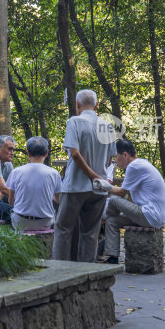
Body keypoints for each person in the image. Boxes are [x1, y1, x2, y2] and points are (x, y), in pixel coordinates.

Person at [53, 89, 116, 263]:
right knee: (90, 232)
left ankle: (60, 268)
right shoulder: (107, 126)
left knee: (63, 228)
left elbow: (74, 153)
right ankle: (87, 269)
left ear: (77, 105)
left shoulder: (74, 122)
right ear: (97, 105)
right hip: (99, 190)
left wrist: (91, 174)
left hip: (75, 186)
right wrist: (98, 175)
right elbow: (110, 160)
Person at [94, 138, 165, 264]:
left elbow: (122, 192)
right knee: (112, 222)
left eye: (116, 157)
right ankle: (112, 257)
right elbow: (129, 196)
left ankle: (102, 222)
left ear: (124, 155)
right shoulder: (141, 163)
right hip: (154, 216)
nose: (115, 161)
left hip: (150, 214)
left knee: (113, 200)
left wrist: (105, 186)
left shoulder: (134, 166)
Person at [6, 137, 62, 232]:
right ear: (46, 153)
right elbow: (58, 200)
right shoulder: (54, 173)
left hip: (21, 222)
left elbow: (11, 202)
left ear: (28, 153)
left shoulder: (16, 172)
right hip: (45, 222)